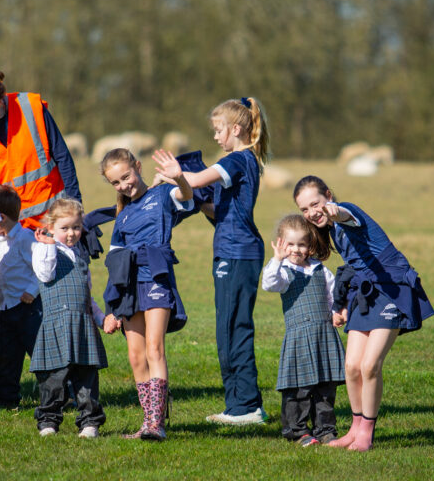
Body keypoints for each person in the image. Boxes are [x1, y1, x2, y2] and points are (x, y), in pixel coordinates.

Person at [293, 175, 434, 451]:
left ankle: (366, 434)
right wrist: (341, 304)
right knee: (351, 366)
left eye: (315, 204)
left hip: (392, 289)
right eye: (304, 209)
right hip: (366, 292)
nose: (311, 213)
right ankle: (354, 430)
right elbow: (352, 269)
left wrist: (337, 211)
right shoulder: (332, 231)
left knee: (370, 365)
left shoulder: (347, 211)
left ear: (329, 196)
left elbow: (347, 216)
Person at [180, 97, 270, 425]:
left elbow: (196, 179)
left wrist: (177, 176)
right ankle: (237, 405)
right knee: (226, 329)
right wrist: (199, 203)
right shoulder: (239, 162)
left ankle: (247, 406)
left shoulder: (237, 160)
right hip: (230, 251)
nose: (216, 137)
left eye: (219, 130)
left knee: (235, 327)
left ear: (236, 129)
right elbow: (223, 213)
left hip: (238, 254)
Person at [99, 148, 194, 441]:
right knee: (136, 356)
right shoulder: (123, 216)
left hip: (155, 277)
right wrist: (112, 309)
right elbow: (114, 264)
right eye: (116, 183)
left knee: (155, 348)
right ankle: (147, 421)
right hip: (129, 286)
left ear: (137, 167)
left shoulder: (163, 195)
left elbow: (187, 198)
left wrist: (179, 179)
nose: (124, 185)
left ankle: (157, 424)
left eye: (126, 176)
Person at [0, 65, 81, 229]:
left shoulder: (32, 108)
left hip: (52, 223)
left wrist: (76, 210)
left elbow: (63, 158)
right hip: (7, 232)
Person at [261, 214, 346, 447]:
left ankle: (326, 430)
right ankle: (297, 430)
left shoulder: (320, 269)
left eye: (302, 244)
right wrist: (277, 259)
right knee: (299, 388)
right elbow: (269, 284)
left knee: (325, 388)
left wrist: (337, 311)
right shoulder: (283, 271)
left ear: (310, 246)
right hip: (299, 337)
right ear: (280, 243)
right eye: (290, 244)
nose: (296, 250)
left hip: (324, 336)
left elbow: (333, 296)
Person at [30, 199, 108, 438]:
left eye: (76, 227)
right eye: (64, 228)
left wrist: (101, 319)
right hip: (57, 325)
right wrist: (49, 244)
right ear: (51, 227)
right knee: (54, 379)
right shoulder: (44, 250)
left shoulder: (81, 258)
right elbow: (45, 273)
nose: (71, 233)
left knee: (86, 378)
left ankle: (89, 422)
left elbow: (88, 296)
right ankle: (49, 421)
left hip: (83, 326)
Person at [0, 184, 42, 409]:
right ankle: (7, 398)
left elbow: (41, 267)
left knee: (38, 352)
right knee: (7, 355)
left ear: (2, 218)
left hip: (28, 308)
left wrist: (31, 290)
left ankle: (57, 394)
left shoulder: (26, 238)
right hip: (5, 309)